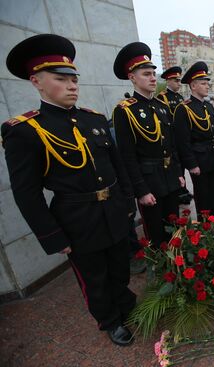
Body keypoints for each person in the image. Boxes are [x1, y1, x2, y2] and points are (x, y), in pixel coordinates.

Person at [2, 34, 136, 346]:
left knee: (120, 264)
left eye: (73, 78)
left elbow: (119, 168)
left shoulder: (95, 120)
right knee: (94, 276)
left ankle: (125, 302)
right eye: (61, 79)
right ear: (36, 81)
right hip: (76, 218)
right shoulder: (24, 131)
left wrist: (127, 202)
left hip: (113, 209)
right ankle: (109, 319)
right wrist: (53, 236)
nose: (72, 85)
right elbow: (27, 193)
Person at [112, 42, 185, 248]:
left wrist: (178, 172)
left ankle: (177, 266)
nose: (153, 77)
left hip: (169, 175)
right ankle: (163, 272)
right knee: (155, 231)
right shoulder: (125, 110)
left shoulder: (161, 107)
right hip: (149, 180)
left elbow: (171, 145)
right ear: (132, 78)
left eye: (153, 73)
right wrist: (141, 190)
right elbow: (127, 156)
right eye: (146, 74)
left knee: (174, 224)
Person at [173, 62, 214, 216]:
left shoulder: (208, 106)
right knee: (202, 195)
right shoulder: (183, 109)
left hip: (212, 156)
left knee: (213, 193)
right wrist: (191, 164)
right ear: (193, 86)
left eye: (207, 83)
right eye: (203, 83)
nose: (207, 86)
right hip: (199, 159)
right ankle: (205, 227)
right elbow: (182, 141)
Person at [157, 66, 193, 205]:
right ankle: (179, 191)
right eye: (176, 80)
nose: (179, 83)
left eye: (179, 81)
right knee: (176, 167)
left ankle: (183, 189)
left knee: (182, 164)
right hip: (171, 136)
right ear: (168, 81)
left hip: (181, 136)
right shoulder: (162, 97)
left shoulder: (179, 97)